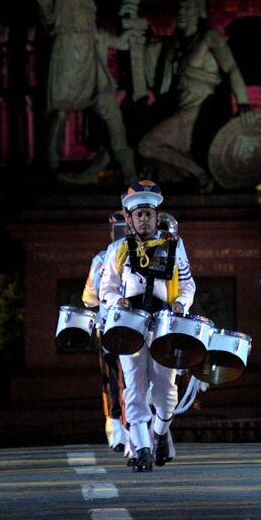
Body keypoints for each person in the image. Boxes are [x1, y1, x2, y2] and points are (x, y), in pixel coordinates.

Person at [98, 181, 196, 472]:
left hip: (165, 322)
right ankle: (141, 449)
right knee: (134, 388)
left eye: (148, 214)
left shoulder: (174, 246)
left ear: (157, 217)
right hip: (131, 324)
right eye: (138, 214)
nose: (143, 219)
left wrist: (181, 305)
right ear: (129, 218)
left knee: (166, 388)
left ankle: (162, 432)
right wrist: (119, 303)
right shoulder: (116, 250)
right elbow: (107, 290)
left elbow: (188, 283)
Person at [25, 0, 137, 183]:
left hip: (90, 53)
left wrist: (117, 42)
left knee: (107, 103)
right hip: (67, 51)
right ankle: (51, 164)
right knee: (61, 108)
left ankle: (127, 169)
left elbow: (93, 29)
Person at [138, 0, 255, 191]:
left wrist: (243, 102)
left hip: (198, 112)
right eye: (180, 8)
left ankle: (201, 175)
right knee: (144, 141)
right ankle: (197, 174)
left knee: (147, 144)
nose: (182, 12)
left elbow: (231, 68)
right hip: (180, 108)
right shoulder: (176, 44)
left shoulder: (210, 36)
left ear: (199, 12)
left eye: (187, 8)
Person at [82, 211, 130, 453]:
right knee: (115, 378)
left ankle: (121, 433)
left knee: (114, 379)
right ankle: (120, 429)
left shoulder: (102, 258)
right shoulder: (102, 259)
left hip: (117, 325)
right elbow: (90, 298)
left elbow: (89, 298)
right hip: (116, 325)